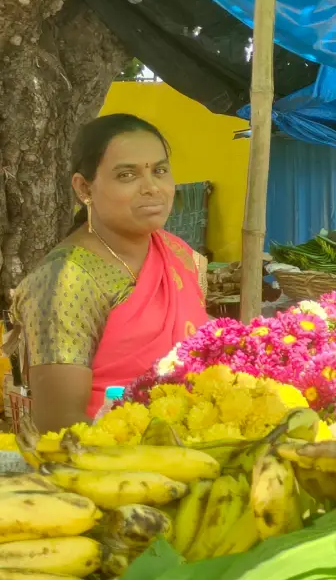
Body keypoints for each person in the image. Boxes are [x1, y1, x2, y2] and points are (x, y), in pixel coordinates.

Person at [9, 114, 209, 432]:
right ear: (84, 187)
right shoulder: (65, 281)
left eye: (160, 171)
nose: (152, 188)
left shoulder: (181, 255)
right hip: (110, 467)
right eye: (127, 175)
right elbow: (60, 426)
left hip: (203, 444)